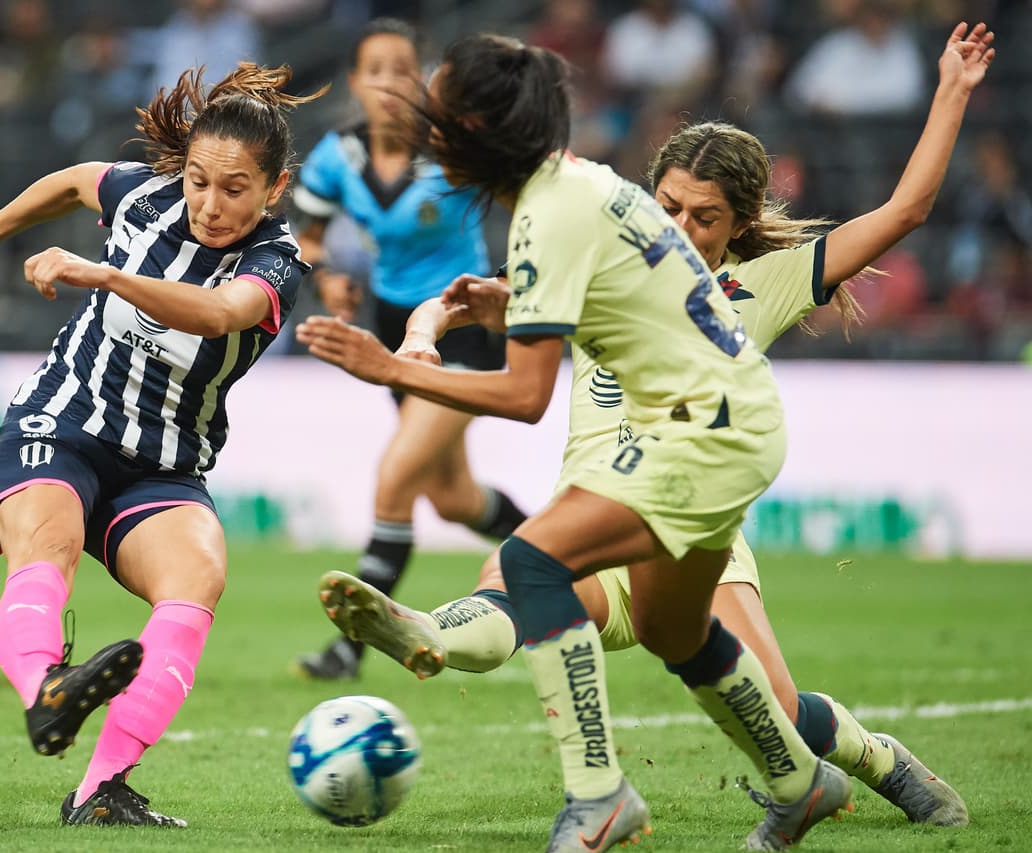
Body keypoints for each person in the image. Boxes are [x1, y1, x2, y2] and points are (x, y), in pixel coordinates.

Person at [295, 29, 994, 852]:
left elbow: (905, 210)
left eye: (705, 217)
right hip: (613, 486)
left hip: (689, 469)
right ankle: (430, 634)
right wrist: (431, 324)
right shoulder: (604, 231)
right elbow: (500, 306)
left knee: (745, 682)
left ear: (737, 227)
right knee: (537, 587)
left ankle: (855, 757)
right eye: (671, 205)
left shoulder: (741, 278)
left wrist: (950, 88)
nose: (683, 226)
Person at [0, 62, 324, 827]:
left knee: (198, 577)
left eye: (234, 189)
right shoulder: (143, 193)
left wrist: (105, 274)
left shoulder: (276, 262)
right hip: (63, 419)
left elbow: (214, 313)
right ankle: (48, 691)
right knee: (48, 542)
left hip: (164, 463)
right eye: (200, 180)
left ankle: (100, 789)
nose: (209, 203)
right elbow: (76, 181)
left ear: (273, 189)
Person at [291, 18, 527, 680]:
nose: (391, 82)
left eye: (403, 68)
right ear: (355, 84)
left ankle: (351, 647)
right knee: (453, 497)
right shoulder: (340, 156)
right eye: (377, 70)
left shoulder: (453, 150)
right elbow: (305, 234)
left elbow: (520, 188)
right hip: (397, 332)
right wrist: (327, 276)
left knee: (396, 475)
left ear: (422, 79)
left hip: (460, 326)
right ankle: (558, 555)